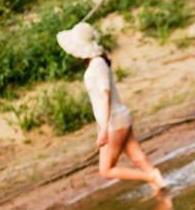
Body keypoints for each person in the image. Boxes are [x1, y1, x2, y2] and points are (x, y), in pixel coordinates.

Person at [56, 22, 166, 193]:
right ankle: (160, 190)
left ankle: (151, 177)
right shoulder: (97, 63)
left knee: (105, 170)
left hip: (114, 121)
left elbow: (105, 97)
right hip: (118, 118)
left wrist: (104, 129)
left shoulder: (97, 64)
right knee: (140, 160)